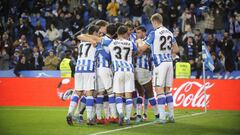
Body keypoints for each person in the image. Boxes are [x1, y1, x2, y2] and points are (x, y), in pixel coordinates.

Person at [138, 13, 179, 124]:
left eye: (152, 23)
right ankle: (171, 116)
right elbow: (176, 49)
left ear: (155, 21)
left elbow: (142, 48)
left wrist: (139, 41)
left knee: (159, 89)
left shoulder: (154, 33)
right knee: (167, 90)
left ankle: (161, 117)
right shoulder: (170, 33)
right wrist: (165, 52)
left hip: (160, 64)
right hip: (169, 62)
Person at [66, 25, 98, 126]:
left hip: (79, 68)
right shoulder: (95, 42)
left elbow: (80, 36)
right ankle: (89, 118)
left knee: (78, 92)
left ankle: (69, 113)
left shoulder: (81, 43)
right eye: (97, 33)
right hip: (89, 68)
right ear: (94, 33)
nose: (98, 35)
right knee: (89, 92)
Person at [108, 26, 138, 126]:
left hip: (118, 70)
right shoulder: (130, 43)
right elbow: (137, 51)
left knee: (118, 94)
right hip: (129, 70)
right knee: (128, 94)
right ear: (125, 34)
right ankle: (128, 118)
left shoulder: (112, 42)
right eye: (127, 34)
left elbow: (107, 54)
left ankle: (120, 113)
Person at [134, 26, 159, 123]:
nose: (138, 34)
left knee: (146, 94)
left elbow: (147, 51)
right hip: (138, 70)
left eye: (139, 32)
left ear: (144, 33)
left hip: (145, 69)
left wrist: (139, 50)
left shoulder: (148, 41)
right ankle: (142, 115)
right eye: (137, 32)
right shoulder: (137, 41)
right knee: (143, 93)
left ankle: (142, 115)